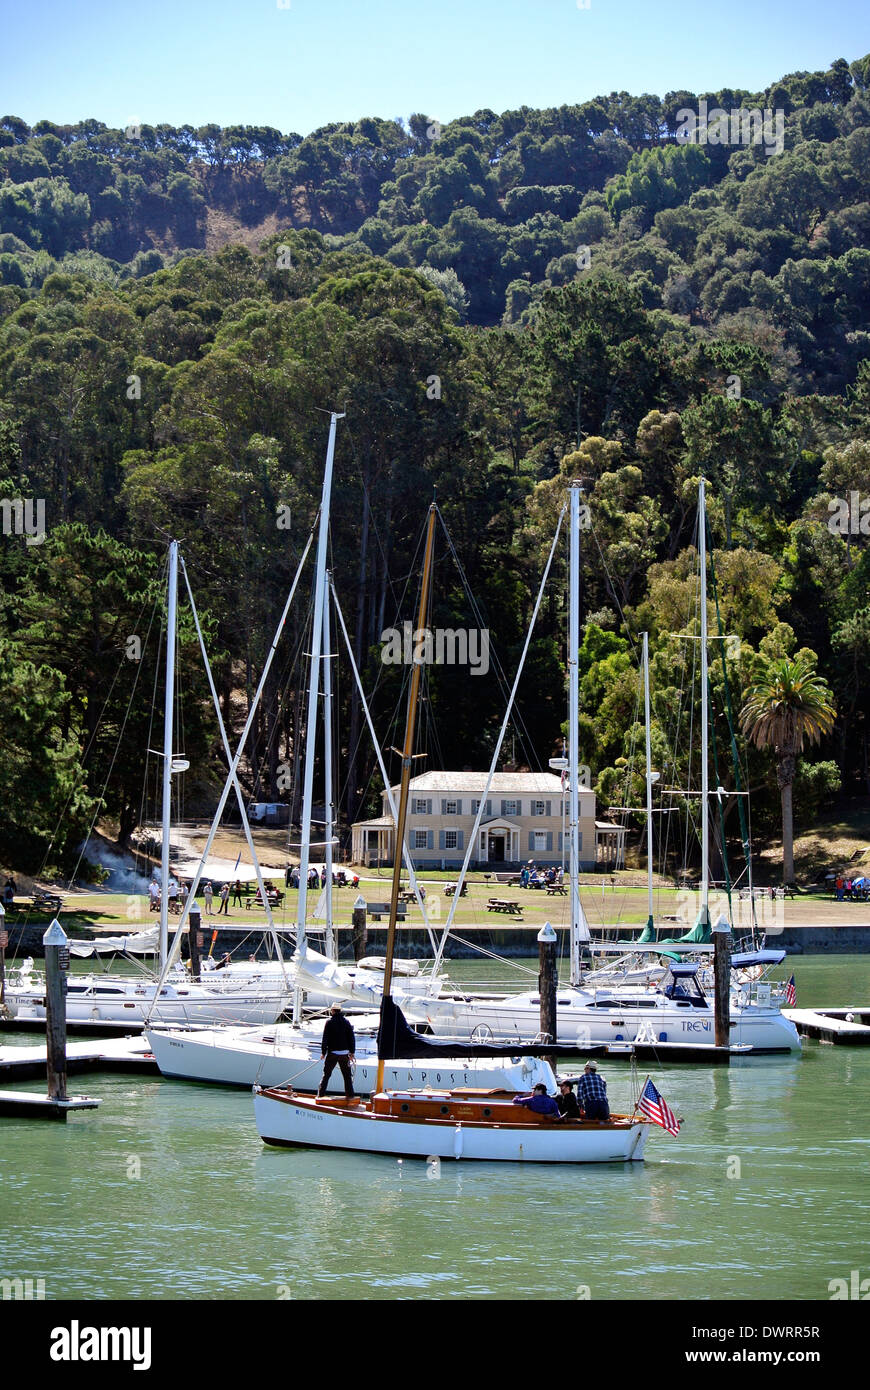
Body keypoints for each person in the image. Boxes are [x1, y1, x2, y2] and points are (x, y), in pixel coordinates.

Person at [318, 1003, 356, 1098]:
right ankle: (350, 1096)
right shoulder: (346, 1022)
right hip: (344, 1053)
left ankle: (321, 1095)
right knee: (347, 1077)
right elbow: (351, 1038)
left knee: (326, 1075)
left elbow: (325, 1039)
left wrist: (323, 1053)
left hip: (333, 1053)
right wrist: (352, 1052)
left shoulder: (329, 1022)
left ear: (333, 1011)